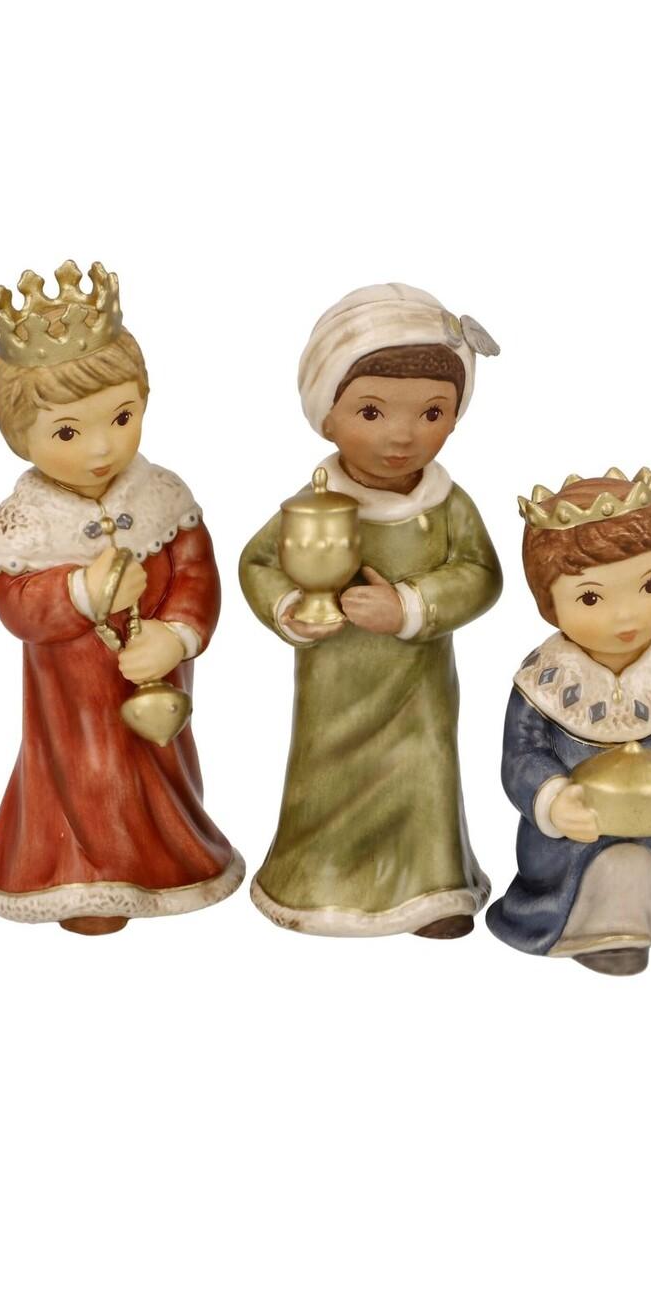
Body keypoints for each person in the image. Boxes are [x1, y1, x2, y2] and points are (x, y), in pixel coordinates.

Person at [0, 261, 243, 933]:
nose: (101, 448)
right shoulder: (25, 523)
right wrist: (79, 590)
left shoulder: (163, 496)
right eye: (67, 432)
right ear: (19, 435)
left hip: (156, 678)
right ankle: (86, 880)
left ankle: (171, 862)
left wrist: (176, 635)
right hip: (73, 698)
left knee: (163, 772)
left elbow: (197, 574)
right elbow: (17, 605)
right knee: (87, 776)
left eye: (122, 417)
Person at [240, 283, 502, 938]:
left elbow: (481, 575)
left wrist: (410, 605)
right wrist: (290, 608)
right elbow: (257, 563)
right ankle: (317, 885)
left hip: (417, 693)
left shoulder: (447, 505)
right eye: (372, 411)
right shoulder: (315, 503)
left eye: (433, 412)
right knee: (325, 780)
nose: (403, 435)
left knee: (424, 775)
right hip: (335, 689)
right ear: (326, 416)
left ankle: (430, 888)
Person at [486, 468, 651, 974]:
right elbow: (521, 757)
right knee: (609, 864)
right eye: (591, 598)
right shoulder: (543, 681)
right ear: (549, 604)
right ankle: (595, 930)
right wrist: (554, 800)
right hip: (569, 844)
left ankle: (646, 920)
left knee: (642, 863)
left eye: (649, 585)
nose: (627, 617)